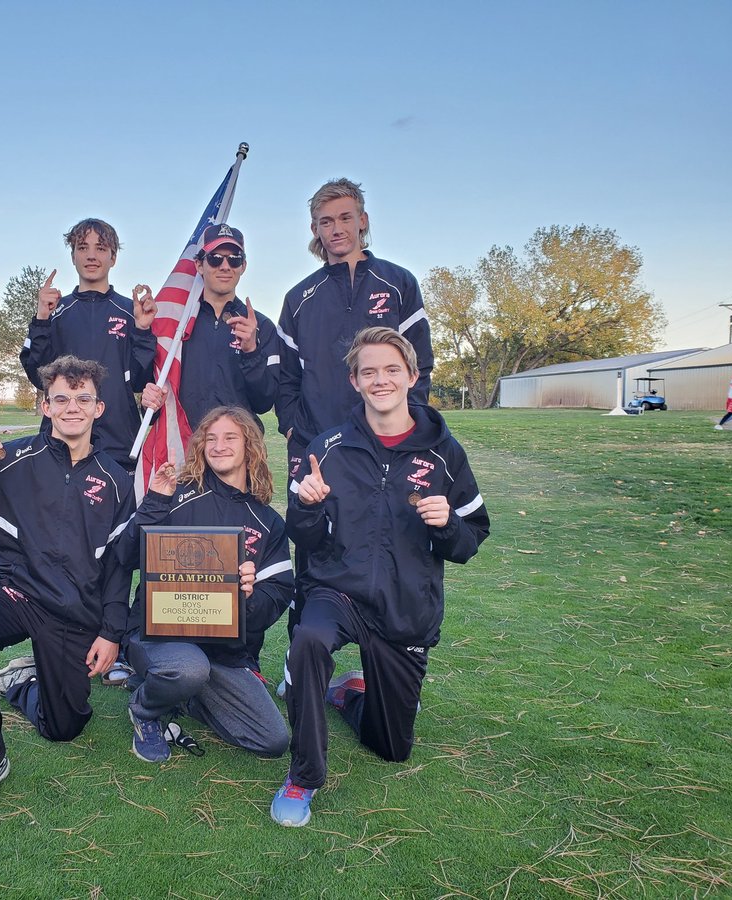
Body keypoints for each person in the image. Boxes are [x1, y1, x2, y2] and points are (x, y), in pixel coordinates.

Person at [270, 327, 490, 827]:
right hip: (337, 590)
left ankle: (350, 694)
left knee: (390, 748)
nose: (381, 379)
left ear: (412, 376)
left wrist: (448, 524)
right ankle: (303, 776)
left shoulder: (444, 453)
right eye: (369, 371)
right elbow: (305, 537)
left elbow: (472, 538)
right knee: (308, 639)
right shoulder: (328, 447)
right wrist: (307, 507)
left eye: (392, 369)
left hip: (404, 605)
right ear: (354, 380)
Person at [0, 356, 137, 810]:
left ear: (98, 408)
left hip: (74, 608)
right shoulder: (10, 461)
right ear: (45, 406)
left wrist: (110, 633)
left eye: (82, 398)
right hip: (13, 591)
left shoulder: (117, 480)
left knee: (64, 727)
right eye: (61, 398)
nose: (72, 407)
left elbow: (118, 567)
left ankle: (19, 684)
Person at [273, 179, 437, 691]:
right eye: (325, 221)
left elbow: (420, 366)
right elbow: (286, 380)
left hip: (387, 454)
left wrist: (403, 433)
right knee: (314, 552)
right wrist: (301, 433)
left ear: (363, 220)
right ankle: (301, 665)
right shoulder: (299, 297)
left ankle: (378, 665)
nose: (336, 229)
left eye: (345, 218)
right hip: (321, 452)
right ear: (314, 230)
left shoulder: (398, 283)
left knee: (386, 548)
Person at [120, 406, 293, 763]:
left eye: (230, 437)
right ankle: (146, 708)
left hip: (223, 653)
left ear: (250, 445)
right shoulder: (178, 493)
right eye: (210, 438)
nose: (219, 446)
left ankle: (186, 694)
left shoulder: (268, 521)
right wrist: (154, 502)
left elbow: (276, 596)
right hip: (159, 636)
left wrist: (247, 596)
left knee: (272, 740)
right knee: (188, 667)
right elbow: (124, 556)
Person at [20, 218, 157, 471]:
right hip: (62, 443)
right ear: (72, 256)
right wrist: (40, 320)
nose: (91, 256)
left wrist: (143, 331)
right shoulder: (55, 311)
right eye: (83, 248)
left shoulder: (131, 312)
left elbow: (141, 379)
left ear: (113, 258)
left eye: (101, 248)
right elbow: (37, 375)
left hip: (119, 445)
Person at [140, 224, 280, 431]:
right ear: (198, 265)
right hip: (186, 446)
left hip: (240, 450)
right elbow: (150, 394)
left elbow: (264, 402)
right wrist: (148, 400)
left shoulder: (261, 326)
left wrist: (251, 352)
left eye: (234, 260)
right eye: (215, 259)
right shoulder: (177, 325)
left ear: (243, 266)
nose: (225, 266)